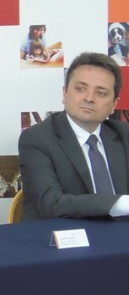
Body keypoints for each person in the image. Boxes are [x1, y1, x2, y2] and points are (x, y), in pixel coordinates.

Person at [19, 52, 129, 220]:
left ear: (114, 104)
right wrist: (120, 203)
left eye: (101, 93)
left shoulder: (124, 134)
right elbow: (52, 204)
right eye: (80, 89)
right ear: (65, 94)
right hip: (62, 233)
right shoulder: (37, 139)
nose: (89, 98)